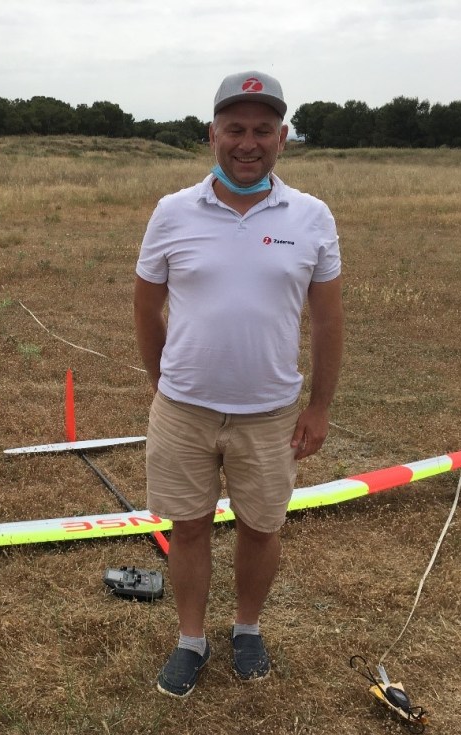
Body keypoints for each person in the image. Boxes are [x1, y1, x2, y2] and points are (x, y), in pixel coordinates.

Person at [134, 71, 343, 698]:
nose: (247, 143)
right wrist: (164, 385)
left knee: (260, 528)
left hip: (271, 414)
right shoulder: (172, 212)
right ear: (212, 135)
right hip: (184, 412)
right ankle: (191, 640)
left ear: (283, 137)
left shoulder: (312, 217)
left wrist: (320, 407)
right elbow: (146, 308)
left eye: (261, 130)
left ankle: (247, 628)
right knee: (189, 527)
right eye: (234, 129)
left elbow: (328, 319)